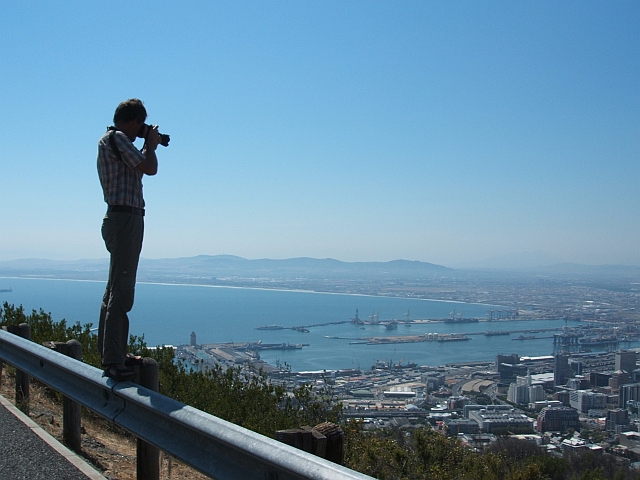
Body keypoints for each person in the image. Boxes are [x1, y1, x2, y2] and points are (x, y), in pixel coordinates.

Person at [97, 99, 160, 380]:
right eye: (140, 126)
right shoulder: (119, 138)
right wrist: (152, 145)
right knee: (122, 291)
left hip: (119, 217)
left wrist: (147, 142)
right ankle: (113, 361)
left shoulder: (112, 140)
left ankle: (112, 352)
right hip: (125, 219)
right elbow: (149, 167)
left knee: (113, 290)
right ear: (134, 121)